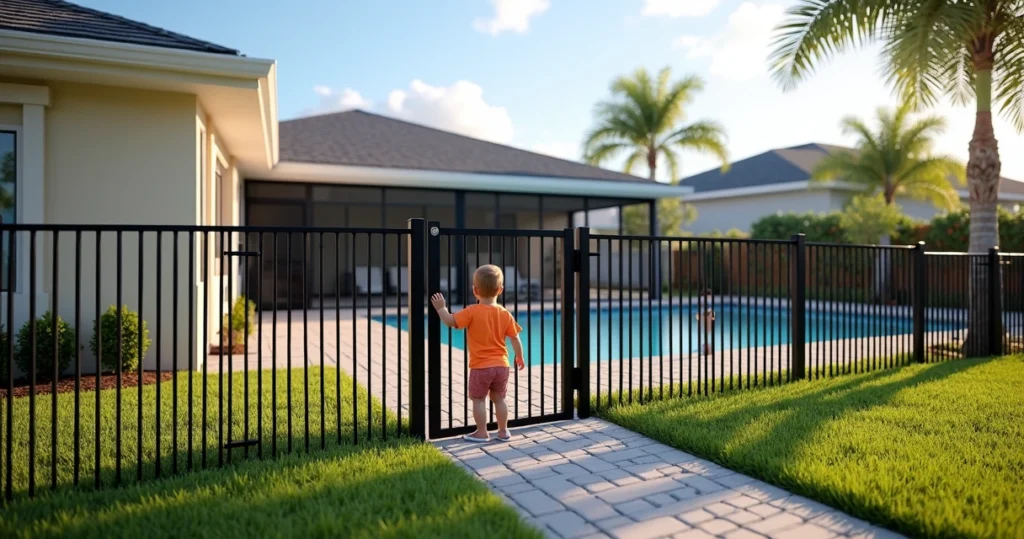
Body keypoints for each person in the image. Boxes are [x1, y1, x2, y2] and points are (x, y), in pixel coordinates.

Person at [431, 265, 525, 442]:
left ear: (475, 290)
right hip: (501, 365)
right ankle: (503, 431)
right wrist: (519, 356)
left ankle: (482, 432)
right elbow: (515, 339)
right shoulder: (505, 313)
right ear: (501, 289)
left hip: (481, 367)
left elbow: (451, 322)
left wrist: (441, 308)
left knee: (478, 399)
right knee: (499, 399)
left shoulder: (472, 311)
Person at [696, 288, 715, 356]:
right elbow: (705, 310)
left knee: (705, 331)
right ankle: (706, 346)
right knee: (706, 331)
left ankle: (705, 345)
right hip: (705, 316)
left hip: (705, 316)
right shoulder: (704, 299)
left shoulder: (703, 299)